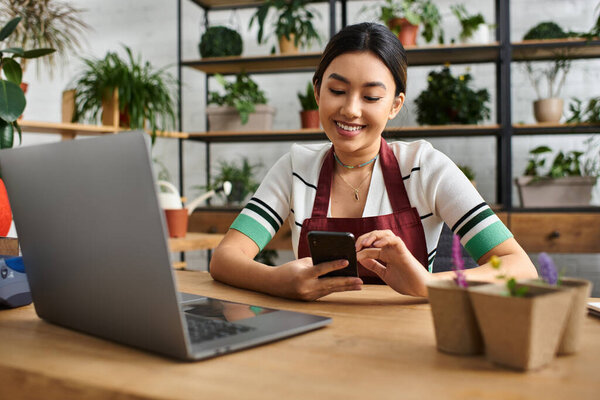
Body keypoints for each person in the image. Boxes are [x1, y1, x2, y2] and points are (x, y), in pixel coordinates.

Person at [210, 22, 537, 300]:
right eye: (337, 90)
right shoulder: (296, 167)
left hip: (410, 348)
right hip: (313, 342)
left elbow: (519, 266)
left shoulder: (425, 168)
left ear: (395, 105)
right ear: (317, 91)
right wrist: (277, 281)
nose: (351, 109)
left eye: (371, 97)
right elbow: (225, 258)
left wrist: (430, 284)